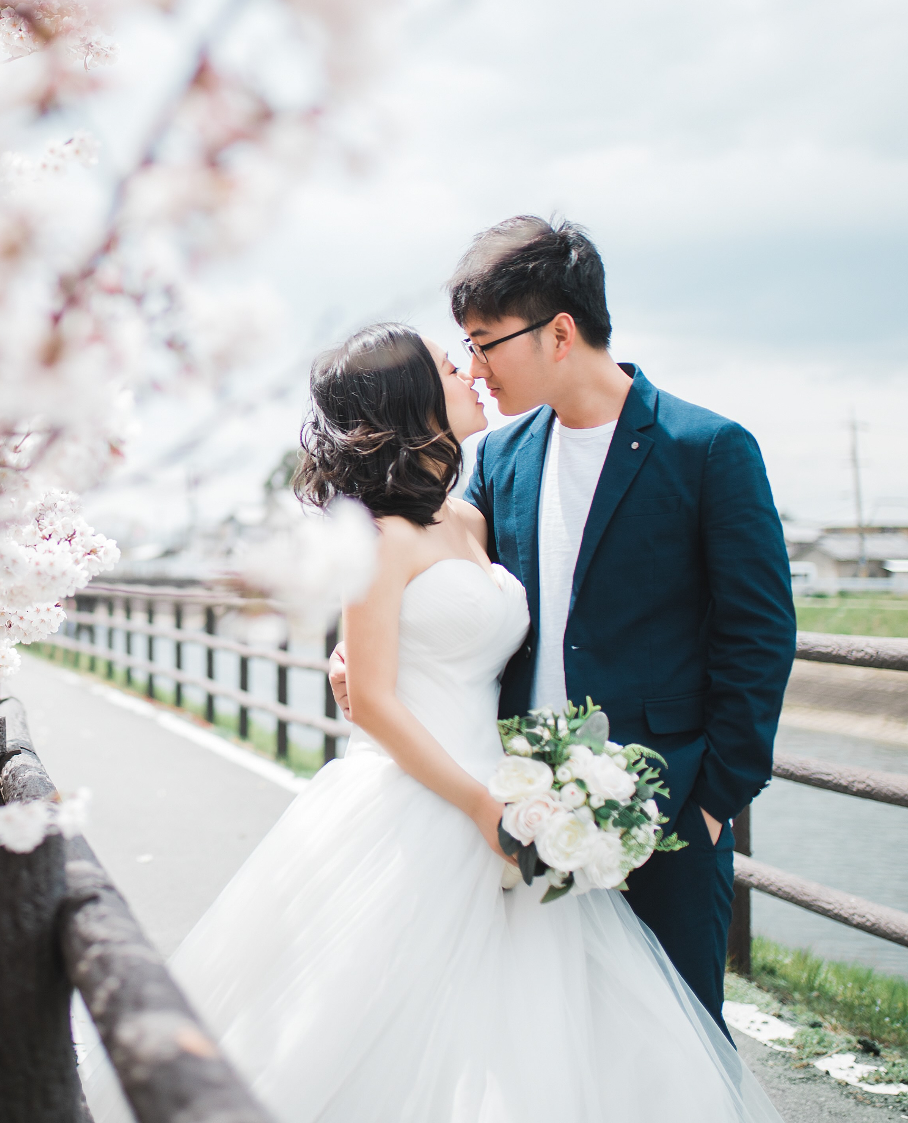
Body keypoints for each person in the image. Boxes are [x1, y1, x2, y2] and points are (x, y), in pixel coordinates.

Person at [82, 318, 784, 1122]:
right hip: (426, 799)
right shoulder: (377, 536)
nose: (472, 374)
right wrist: (479, 801)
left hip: (510, 788)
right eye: (453, 366)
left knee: (526, 1030)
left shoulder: (470, 517)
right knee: (366, 1026)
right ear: (413, 399)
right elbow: (377, 700)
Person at [328, 216, 797, 1026]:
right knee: (535, 1041)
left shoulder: (707, 449)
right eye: (466, 349)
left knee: (674, 1042)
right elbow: (439, 575)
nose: (475, 368)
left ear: (559, 333)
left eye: (485, 343)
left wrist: (715, 801)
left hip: (662, 809)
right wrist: (353, 649)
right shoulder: (500, 457)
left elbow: (759, 639)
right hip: (514, 812)